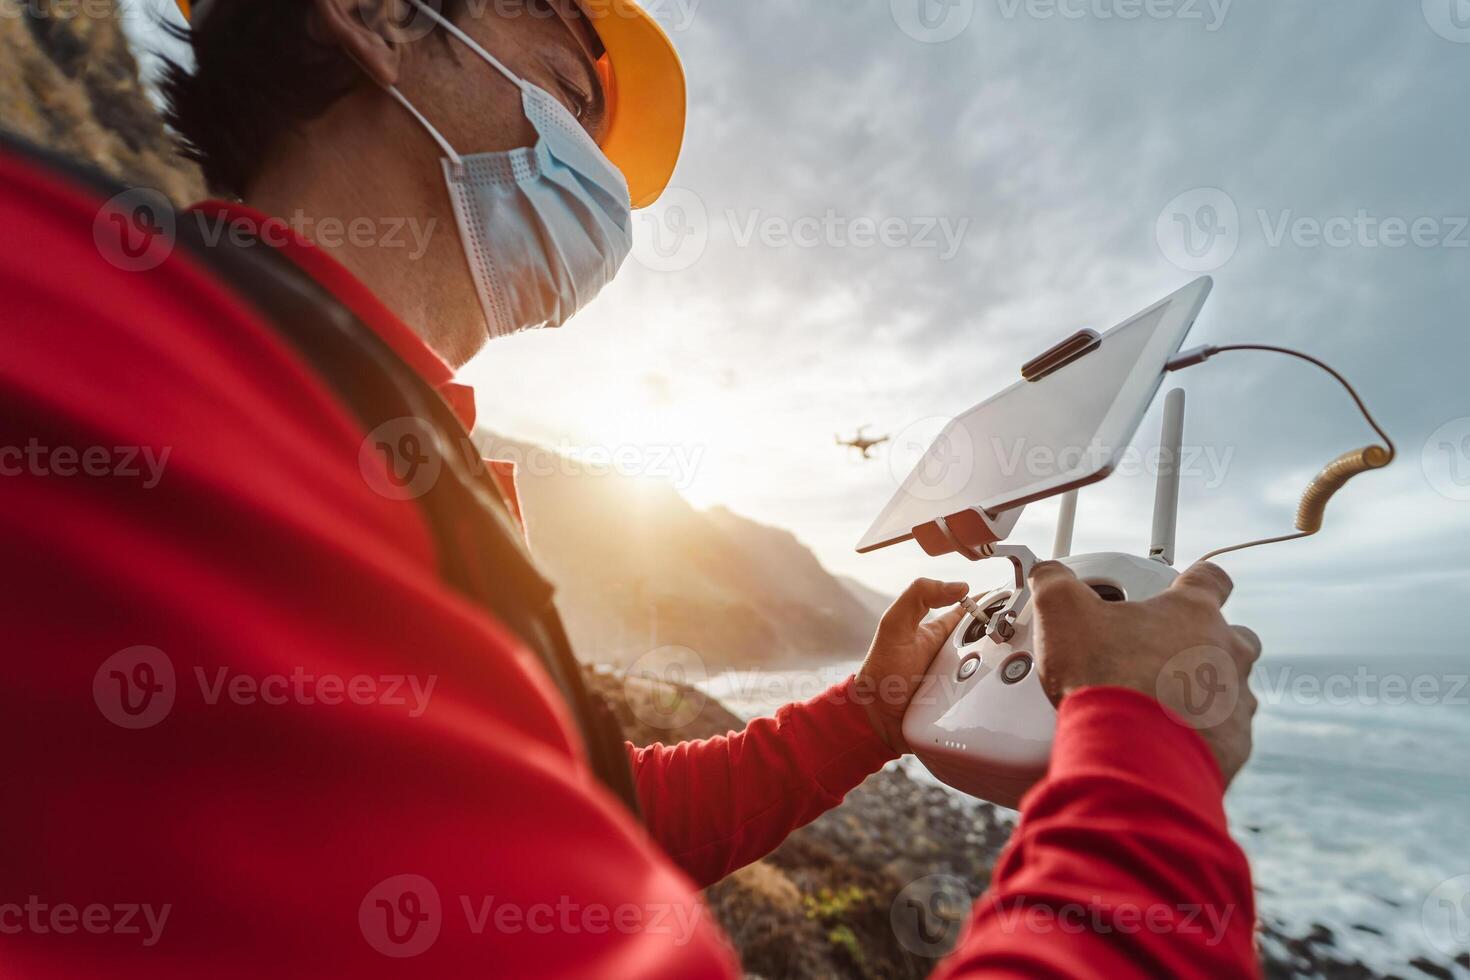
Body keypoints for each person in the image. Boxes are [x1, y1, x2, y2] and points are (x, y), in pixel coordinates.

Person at [0, 0, 1262, 975]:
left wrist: (868, 712)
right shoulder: (97, 368)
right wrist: (1143, 760)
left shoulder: (376, 436)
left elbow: (577, 823)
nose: (594, 149)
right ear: (382, 17)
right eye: (563, 60)